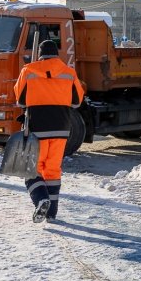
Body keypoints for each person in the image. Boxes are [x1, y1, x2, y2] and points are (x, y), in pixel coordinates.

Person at [13, 40, 84, 223]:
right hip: (61, 128)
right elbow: (77, 102)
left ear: (40, 54)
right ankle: (51, 213)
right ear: (57, 54)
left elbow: (20, 101)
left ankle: (41, 199)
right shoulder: (69, 73)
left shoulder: (28, 71)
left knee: (31, 171)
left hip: (38, 129)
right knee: (52, 171)